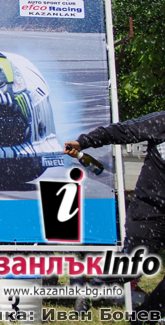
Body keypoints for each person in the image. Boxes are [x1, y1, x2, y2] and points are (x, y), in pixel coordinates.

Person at [65, 111, 165, 320]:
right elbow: (123, 130)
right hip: (150, 210)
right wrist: (83, 142)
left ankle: (145, 316)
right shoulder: (161, 122)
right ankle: (94, 287)